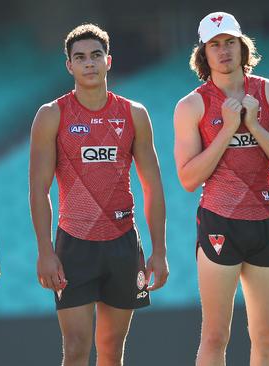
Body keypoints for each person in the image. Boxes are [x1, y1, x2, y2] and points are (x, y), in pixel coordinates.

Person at [29, 23, 168, 365]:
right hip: (74, 244)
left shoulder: (134, 114)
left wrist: (160, 251)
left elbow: (153, 185)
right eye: (80, 57)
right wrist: (45, 252)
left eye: (95, 55)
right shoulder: (51, 115)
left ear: (108, 61)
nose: (88, 63)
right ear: (69, 66)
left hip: (123, 244)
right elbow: (38, 189)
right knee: (76, 347)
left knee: (111, 350)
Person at [173, 11, 269, 366]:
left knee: (267, 336)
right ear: (204, 53)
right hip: (220, 222)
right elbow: (188, 179)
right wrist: (228, 129)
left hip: (265, 221)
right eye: (215, 44)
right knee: (216, 336)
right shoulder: (191, 106)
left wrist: (255, 127)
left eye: (230, 42)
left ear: (242, 46)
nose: (224, 50)